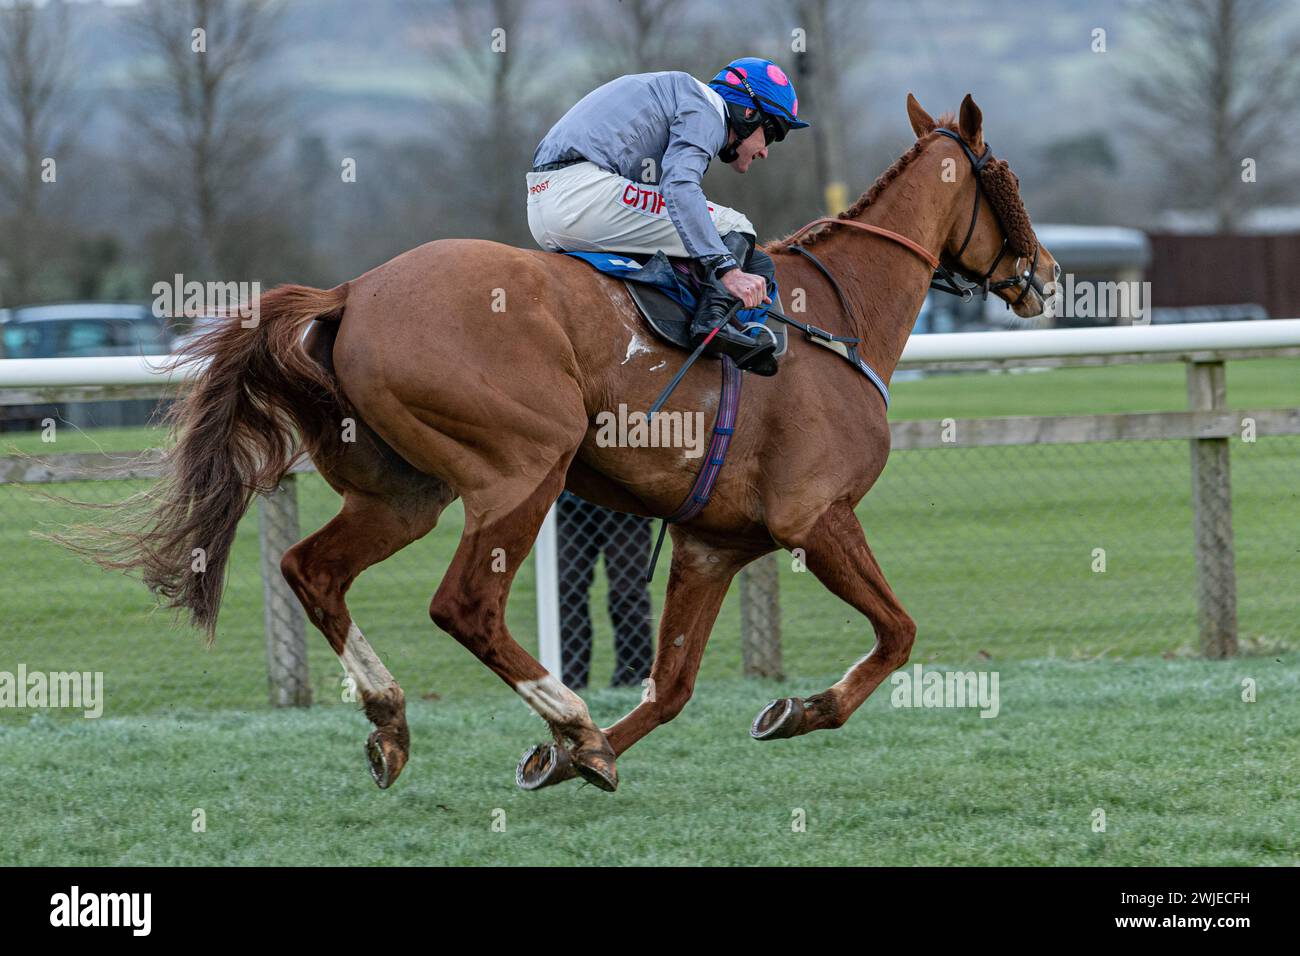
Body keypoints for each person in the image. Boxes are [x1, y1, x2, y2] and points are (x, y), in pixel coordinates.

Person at [526, 57, 809, 375]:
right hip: (582, 195)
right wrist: (726, 268)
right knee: (735, 224)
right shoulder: (706, 108)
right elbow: (679, 186)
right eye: (773, 134)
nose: (765, 151)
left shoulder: (681, 96)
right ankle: (713, 322)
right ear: (748, 113)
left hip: (543, 201)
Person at [556, 491, 654, 690]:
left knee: (627, 594)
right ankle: (569, 683)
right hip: (570, 502)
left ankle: (634, 680)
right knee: (566, 593)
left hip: (626, 501)